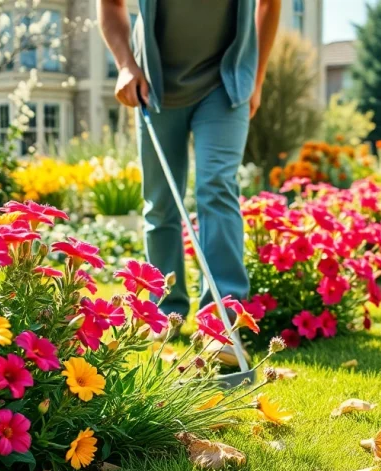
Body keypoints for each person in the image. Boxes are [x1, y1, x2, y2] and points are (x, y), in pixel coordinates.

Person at [98, 0, 280, 331]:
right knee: (161, 201)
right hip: (154, 85)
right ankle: (167, 312)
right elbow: (111, 4)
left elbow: (269, 4)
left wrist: (257, 78)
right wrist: (125, 64)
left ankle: (222, 319)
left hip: (225, 84)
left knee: (216, 186)